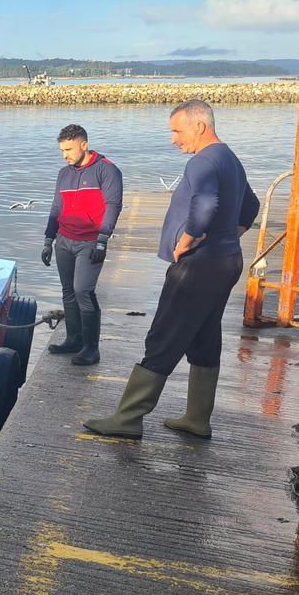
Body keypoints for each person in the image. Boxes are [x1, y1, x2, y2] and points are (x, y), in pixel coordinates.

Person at [84, 100, 259, 440]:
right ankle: (197, 417)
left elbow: (206, 204)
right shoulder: (229, 159)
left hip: (199, 267)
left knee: (164, 335)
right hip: (226, 261)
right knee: (204, 336)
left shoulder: (203, 161)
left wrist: (188, 239)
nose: (173, 139)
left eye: (177, 131)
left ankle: (128, 417)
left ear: (200, 126)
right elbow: (250, 206)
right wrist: (228, 236)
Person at [41, 124, 123, 366]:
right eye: (61, 150)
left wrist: (102, 240)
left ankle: (91, 348)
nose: (64, 155)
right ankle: (73, 339)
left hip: (90, 242)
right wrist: (48, 239)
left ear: (84, 145)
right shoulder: (64, 173)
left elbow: (113, 206)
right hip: (64, 240)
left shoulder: (107, 171)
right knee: (68, 291)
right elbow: (57, 208)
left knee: (82, 290)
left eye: (68, 149)